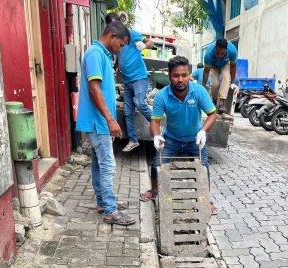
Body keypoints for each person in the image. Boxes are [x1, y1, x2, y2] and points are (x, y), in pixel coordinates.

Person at [140, 56, 218, 215]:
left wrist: (203, 131)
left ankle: (205, 198)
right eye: (176, 76)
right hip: (171, 139)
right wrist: (156, 136)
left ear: (190, 75)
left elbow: (212, 114)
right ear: (169, 76)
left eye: (184, 75)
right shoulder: (162, 96)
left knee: (204, 168)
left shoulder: (199, 92)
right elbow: (155, 121)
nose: (180, 79)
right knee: (156, 163)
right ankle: (155, 191)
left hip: (195, 139)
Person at [76, 21, 135, 226]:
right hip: (98, 122)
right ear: (111, 36)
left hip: (98, 122)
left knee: (98, 163)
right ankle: (111, 211)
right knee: (108, 165)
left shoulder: (102, 55)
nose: (121, 49)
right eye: (121, 44)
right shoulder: (95, 54)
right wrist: (110, 120)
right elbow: (94, 89)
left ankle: (103, 202)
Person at [106, 14, 155, 153]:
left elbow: (151, 43)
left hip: (140, 77)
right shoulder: (114, 39)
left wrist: (144, 45)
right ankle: (133, 140)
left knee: (139, 102)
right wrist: (115, 67)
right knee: (127, 112)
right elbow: (120, 56)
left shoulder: (131, 34)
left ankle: (155, 123)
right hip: (127, 81)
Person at [202, 39, 238, 112]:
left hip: (225, 64)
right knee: (215, 84)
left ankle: (221, 104)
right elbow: (206, 72)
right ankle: (215, 101)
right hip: (213, 66)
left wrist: (232, 83)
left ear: (226, 50)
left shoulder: (232, 51)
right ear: (215, 48)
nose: (220, 55)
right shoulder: (208, 54)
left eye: (222, 53)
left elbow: (233, 67)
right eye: (218, 53)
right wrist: (203, 86)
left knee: (226, 77)